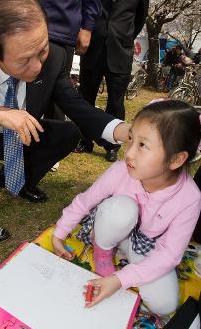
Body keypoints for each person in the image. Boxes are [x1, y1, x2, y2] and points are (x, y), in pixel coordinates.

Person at [0, 0, 129, 222]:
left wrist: (121, 130)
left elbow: (75, 104)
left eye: (41, 51)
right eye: (24, 60)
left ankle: (18, 179)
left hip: (22, 137)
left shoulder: (55, 56)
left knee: (68, 132)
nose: (37, 67)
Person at [52, 100, 201, 316]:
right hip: (111, 228)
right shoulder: (121, 171)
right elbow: (86, 200)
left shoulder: (190, 198)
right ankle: (103, 251)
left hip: (147, 245)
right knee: (121, 207)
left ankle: (125, 261)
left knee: (165, 305)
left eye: (142, 146)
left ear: (176, 159)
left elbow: (169, 254)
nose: (129, 153)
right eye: (130, 139)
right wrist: (60, 232)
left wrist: (120, 279)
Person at [0, 0, 108, 121]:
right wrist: (0, 13)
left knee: (56, 99)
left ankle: (52, 145)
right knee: (11, 92)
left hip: (62, 26)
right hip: (18, 22)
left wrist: (87, 26)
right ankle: (11, 143)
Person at [75, 0, 153, 162]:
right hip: (93, 47)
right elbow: (86, 1)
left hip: (120, 50)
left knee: (116, 101)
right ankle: (85, 140)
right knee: (86, 97)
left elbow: (140, 17)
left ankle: (112, 145)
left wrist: (122, 37)